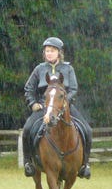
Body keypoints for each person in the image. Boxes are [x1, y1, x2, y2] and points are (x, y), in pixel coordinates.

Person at [22, 37, 92, 179]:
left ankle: (85, 164)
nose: (49, 53)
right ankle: (28, 163)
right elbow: (28, 88)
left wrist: (66, 102)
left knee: (87, 130)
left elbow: (73, 89)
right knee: (27, 129)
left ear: (59, 52)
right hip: (44, 107)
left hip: (65, 106)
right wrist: (33, 103)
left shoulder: (68, 69)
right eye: (47, 51)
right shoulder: (39, 69)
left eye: (52, 51)